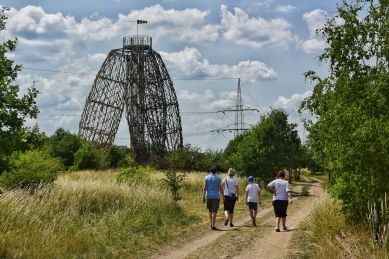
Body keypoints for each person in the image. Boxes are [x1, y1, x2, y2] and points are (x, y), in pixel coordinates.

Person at [202, 166, 225, 230]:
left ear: (210, 171)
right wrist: (223, 196)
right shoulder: (218, 178)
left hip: (208, 195)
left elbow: (204, 188)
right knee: (214, 211)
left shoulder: (206, 177)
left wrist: (203, 196)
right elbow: (220, 188)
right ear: (216, 171)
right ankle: (213, 224)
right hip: (216, 196)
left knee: (210, 210)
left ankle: (210, 222)